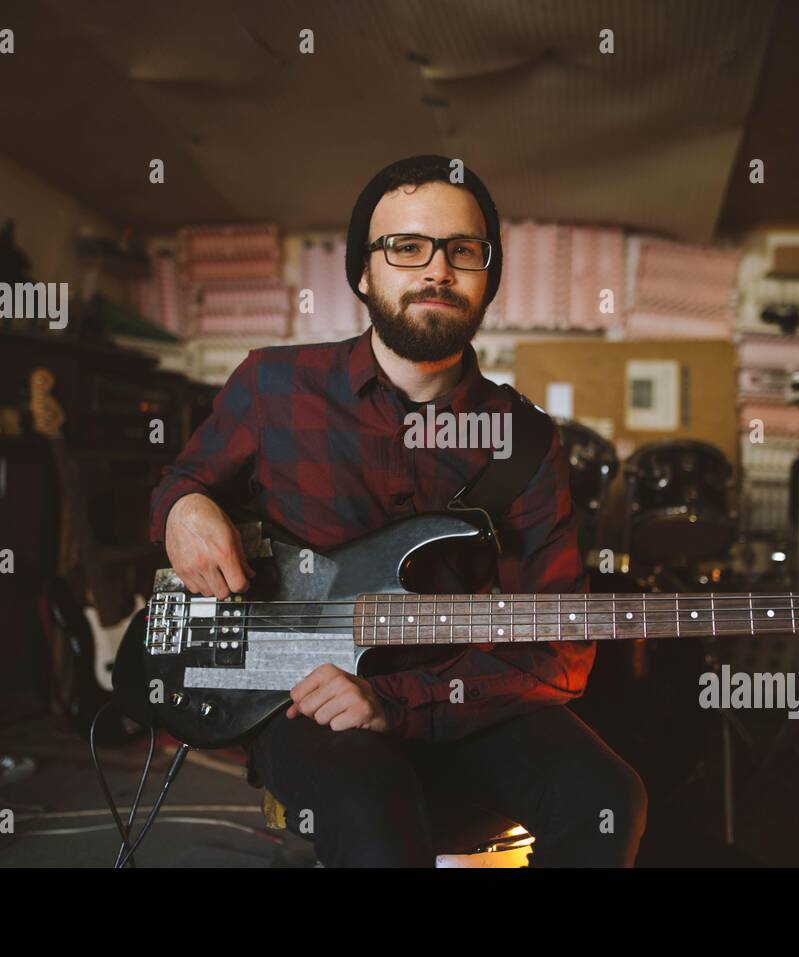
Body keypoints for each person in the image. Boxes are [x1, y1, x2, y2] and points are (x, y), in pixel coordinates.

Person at [149, 155, 646, 866]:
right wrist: (184, 507)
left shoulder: (527, 439)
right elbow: (182, 479)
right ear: (363, 271)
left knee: (609, 801)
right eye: (407, 247)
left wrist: (403, 702)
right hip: (309, 696)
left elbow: (559, 648)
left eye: (463, 251)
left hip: (470, 696)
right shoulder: (272, 385)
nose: (436, 270)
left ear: (487, 275)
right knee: (373, 820)